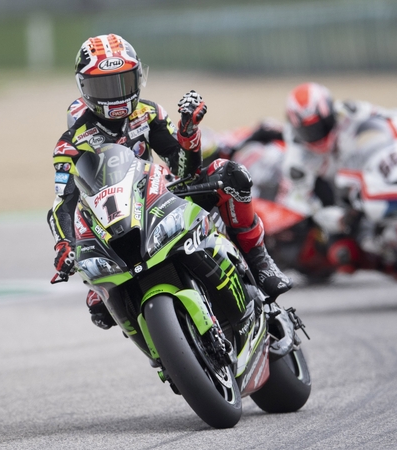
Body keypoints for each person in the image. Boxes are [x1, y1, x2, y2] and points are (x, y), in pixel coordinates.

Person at [46, 34, 292, 330]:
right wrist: (64, 244)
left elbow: (186, 169)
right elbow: (63, 202)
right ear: (85, 88)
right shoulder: (70, 144)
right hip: (110, 225)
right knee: (99, 307)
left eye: (122, 82)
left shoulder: (148, 114)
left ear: (137, 78)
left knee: (231, 175)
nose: (115, 95)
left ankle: (259, 260)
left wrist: (189, 133)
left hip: (157, 199)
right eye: (104, 86)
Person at [206, 82, 397, 273]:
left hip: (369, 172)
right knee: (347, 253)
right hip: (342, 199)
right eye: (310, 130)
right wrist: (341, 220)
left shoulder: (347, 111)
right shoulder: (296, 159)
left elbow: (386, 116)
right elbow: (311, 205)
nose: (319, 133)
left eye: (323, 124)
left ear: (330, 114)